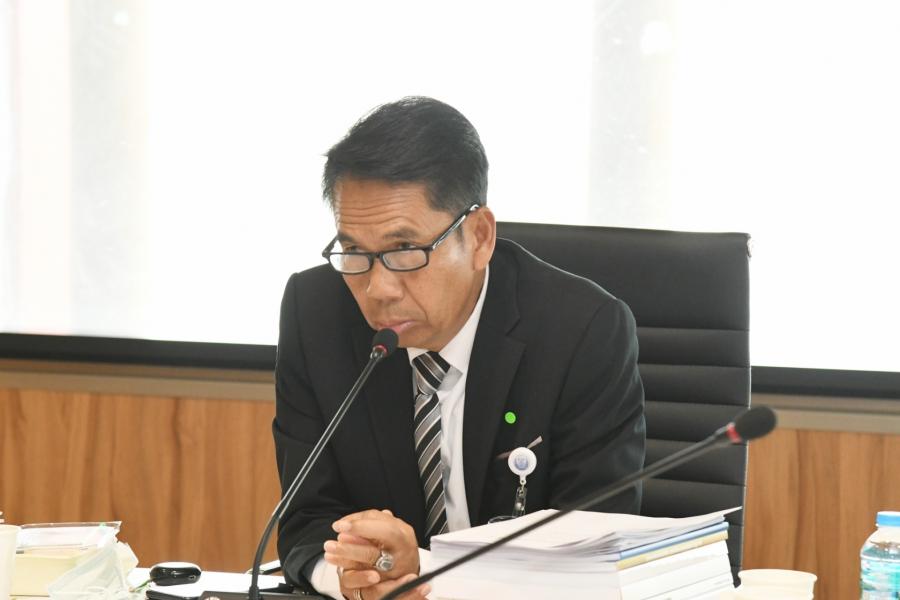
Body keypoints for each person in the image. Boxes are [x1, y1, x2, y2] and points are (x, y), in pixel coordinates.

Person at [274, 97, 645, 600]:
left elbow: (591, 552)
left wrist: (425, 573)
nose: (378, 288)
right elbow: (305, 521)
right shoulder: (315, 313)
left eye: (404, 250)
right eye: (355, 252)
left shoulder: (583, 331)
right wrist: (350, 577)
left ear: (479, 237)